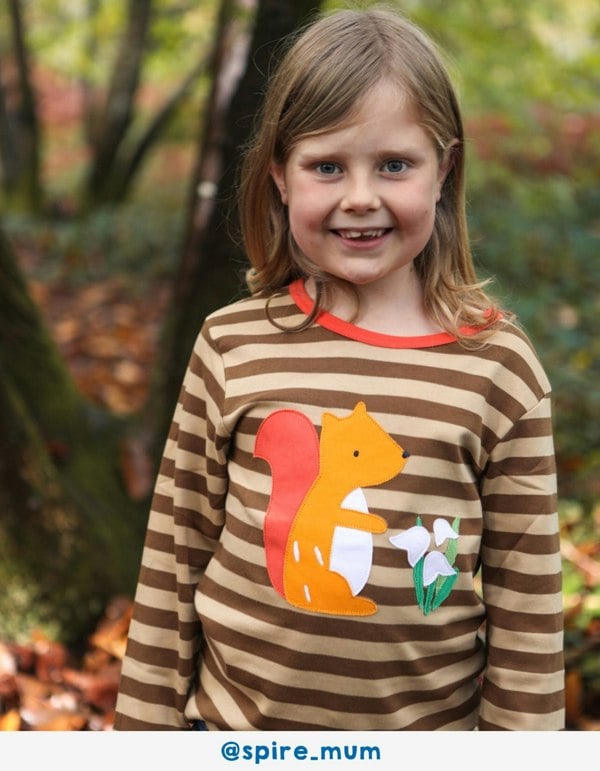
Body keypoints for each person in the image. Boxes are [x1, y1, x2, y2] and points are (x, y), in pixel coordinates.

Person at [114, 5, 565, 731]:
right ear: (280, 176)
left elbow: (529, 608)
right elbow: (173, 557)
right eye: (327, 166)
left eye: (394, 164)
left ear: (444, 171)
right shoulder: (233, 344)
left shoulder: (497, 367)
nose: (360, 197)